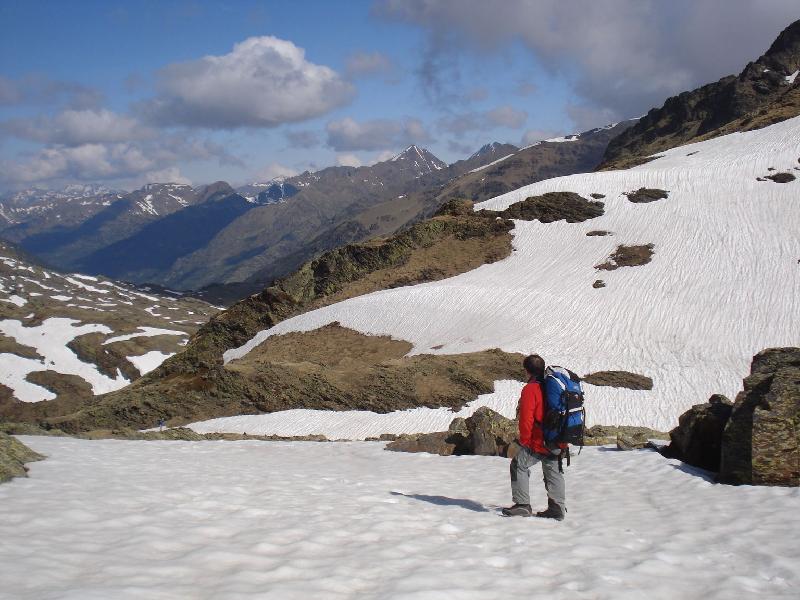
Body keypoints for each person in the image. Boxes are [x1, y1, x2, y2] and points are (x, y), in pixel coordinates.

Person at [502, 354, 567, 520]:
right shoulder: (553, 386)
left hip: (540, 440)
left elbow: (526, 418)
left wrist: (524, 440)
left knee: (518, 465)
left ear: (527, 371)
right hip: (558, 438)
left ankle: (522, 505)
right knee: (553, 469)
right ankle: (557, 508)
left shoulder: (531, 389)